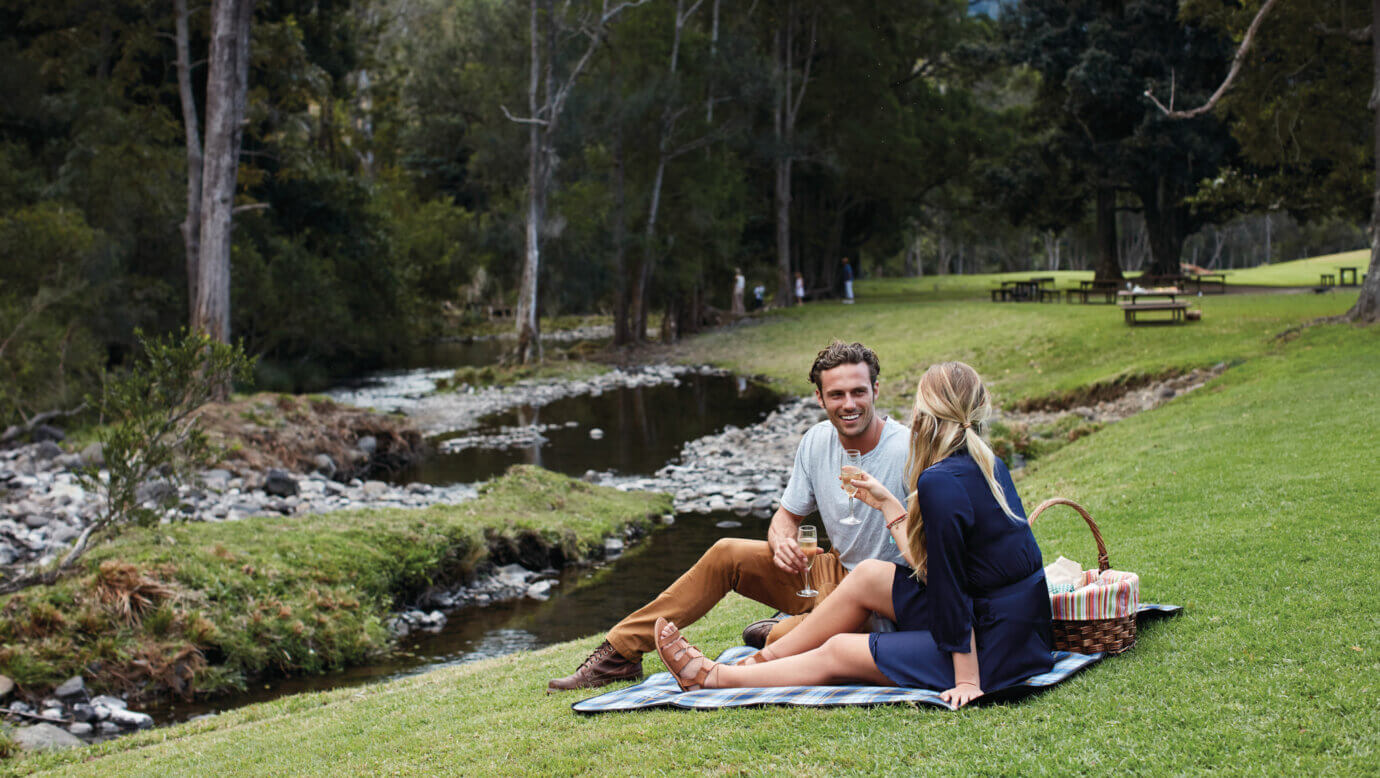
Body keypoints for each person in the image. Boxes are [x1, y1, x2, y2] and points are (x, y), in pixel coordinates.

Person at [652, 361, 1054, 708]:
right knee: (869, 576)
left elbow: (950, 588)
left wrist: (967, 679)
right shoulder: (986, 462)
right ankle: (756, 664)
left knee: (839, 650)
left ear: (926, 414)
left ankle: (711, 678)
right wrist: (888, 504)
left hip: (991, 652)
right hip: (1023, 632)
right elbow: (942, 567)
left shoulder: (939, 481)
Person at [547, 341, 911, 691]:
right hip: (831, 571)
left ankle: (773, 632)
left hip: (881, 595)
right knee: (726, 552)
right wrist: (781, 541)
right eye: (836, 394)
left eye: (858, 392)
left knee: (803, 641)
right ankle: (619, 654)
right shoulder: (816, 441)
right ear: (819, 397)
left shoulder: (907, 449)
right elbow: (786, 516)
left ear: (876, 390)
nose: (849, 404)